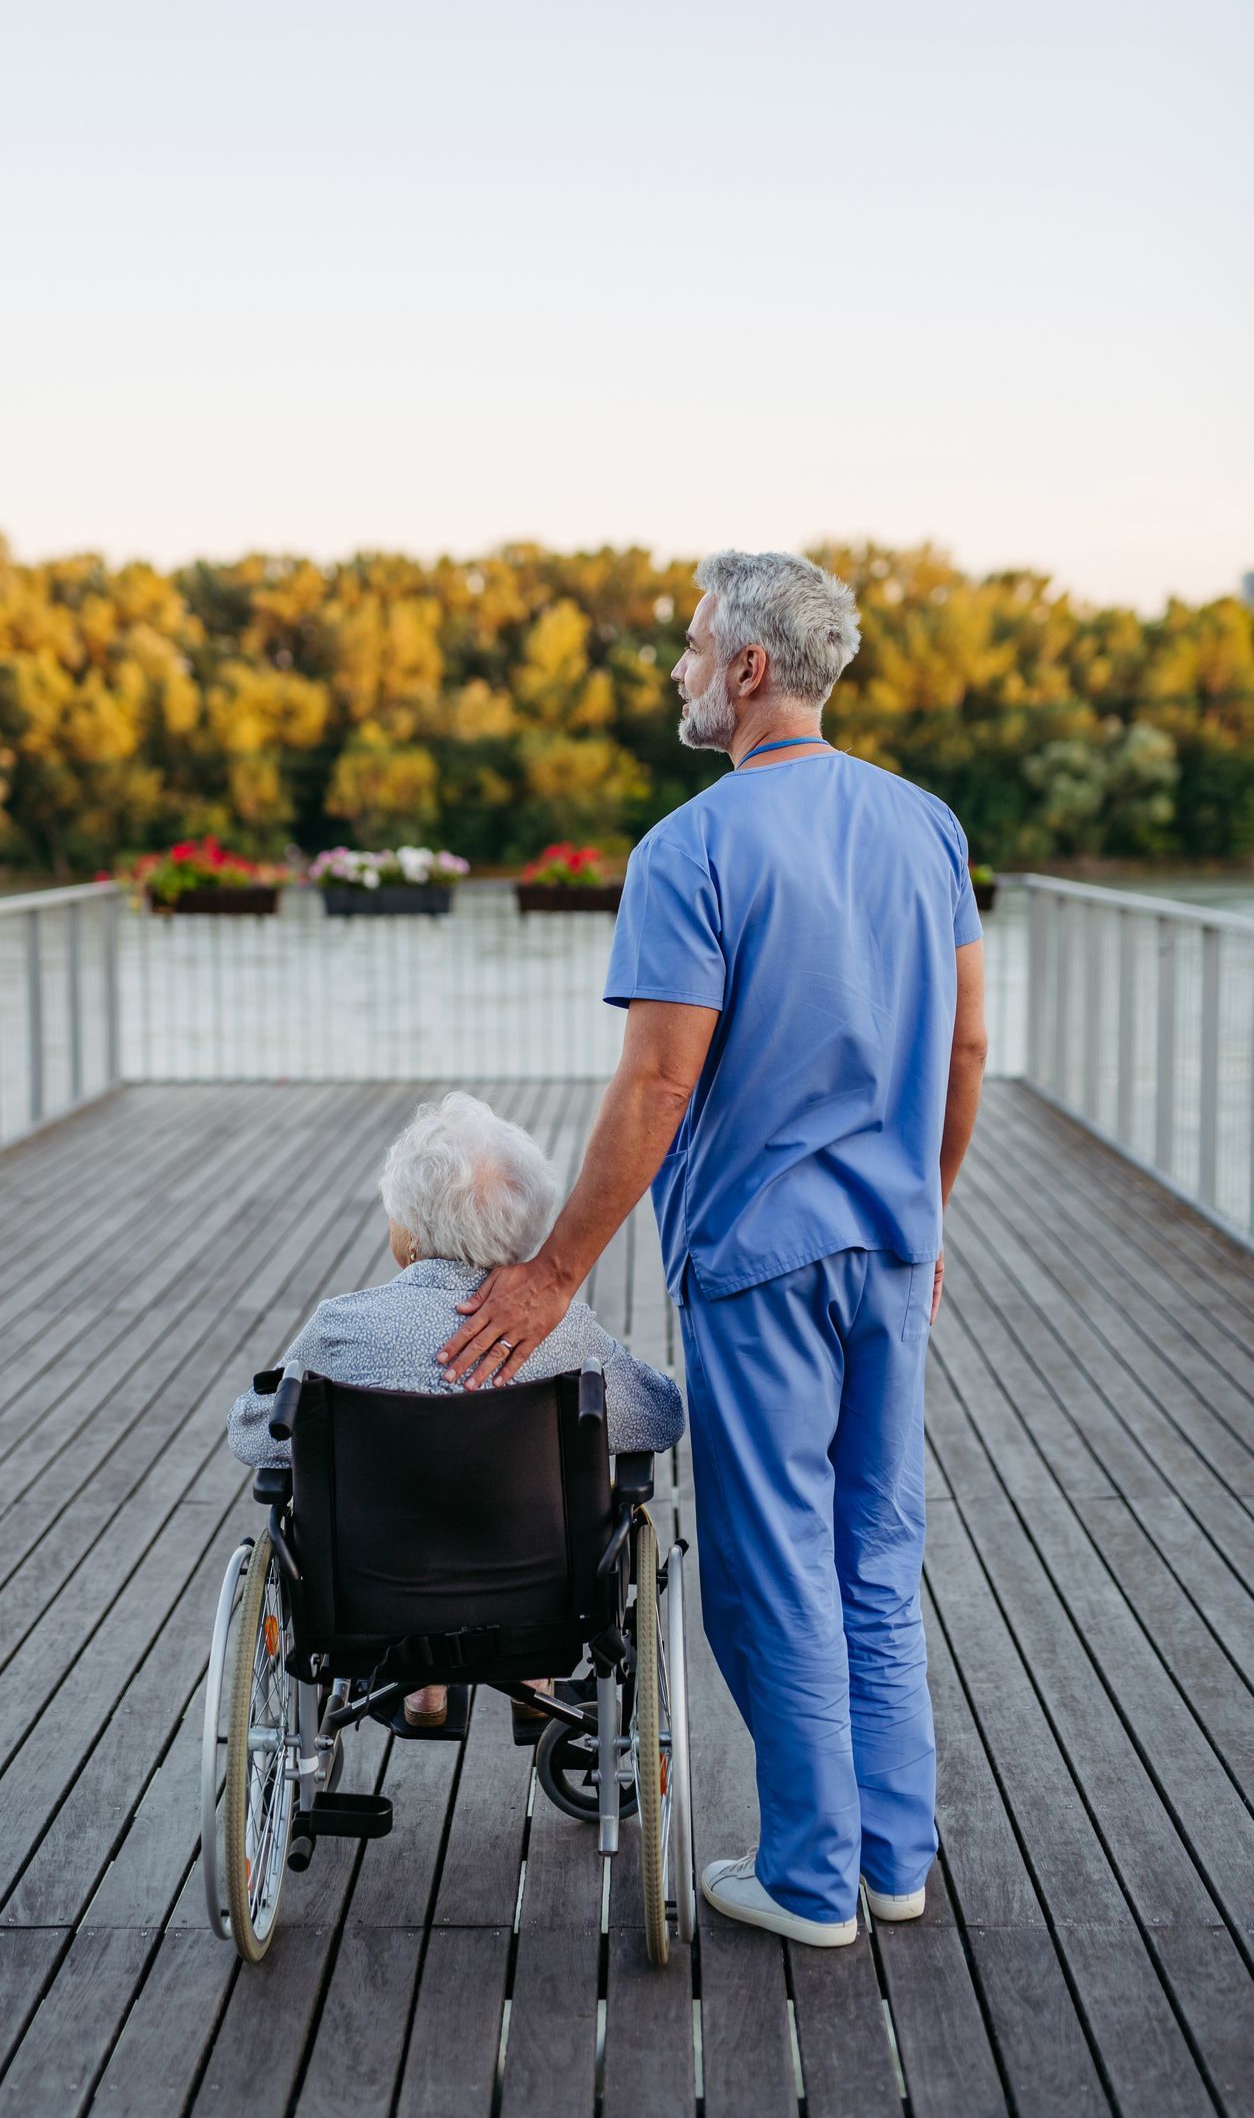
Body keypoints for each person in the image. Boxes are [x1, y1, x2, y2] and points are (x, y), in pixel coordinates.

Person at [440, 549, 987, 1944]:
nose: (677, 668)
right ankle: (890, 1857)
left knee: (769, 1559)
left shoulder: (689, 849)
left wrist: (552, 1271)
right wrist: (919, 1207)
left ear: (749, 668)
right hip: (887, 1247)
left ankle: (807, 1880)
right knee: (874, 1543)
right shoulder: (925, 824)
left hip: (759, 1255)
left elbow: (655, 1086)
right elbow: (967, 1043)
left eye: (690, 646)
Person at [227, 1089, 684, 1726]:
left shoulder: (340, 1330)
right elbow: (659, 1420)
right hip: (544, 1609)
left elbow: (255, 1435)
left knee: (399, 1502)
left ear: (407, 1233)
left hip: (367, 1607)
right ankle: (536, 1673)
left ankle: (422, 1684)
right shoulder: (566, 1334)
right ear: (527, 1231)